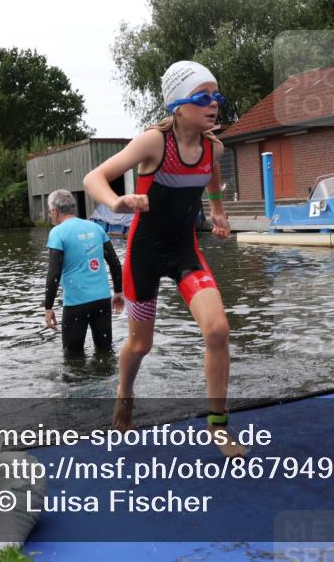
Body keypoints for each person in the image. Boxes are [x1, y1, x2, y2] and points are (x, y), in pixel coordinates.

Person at [83, 60, 240, 456]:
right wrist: (117, 202)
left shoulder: (213, 146)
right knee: (140, 346)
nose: (213, 104)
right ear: (178, 105)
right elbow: (93, 179)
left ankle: (217, 425)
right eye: (203, 97)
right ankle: (124, 391)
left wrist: (217, 211)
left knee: (218, 330)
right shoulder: (154, 143)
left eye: (216, 96)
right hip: (145, 255)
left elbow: (212, 175)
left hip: (186, 251)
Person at [44, 189, 124, 355]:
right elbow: (115, 263)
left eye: (49, 211)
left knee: (73, 359)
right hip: (102, 300)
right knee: (105, 352)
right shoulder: (95, 228)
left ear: (54, 211)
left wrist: (48, 307)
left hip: (76, 304)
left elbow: (54, 274)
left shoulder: (57, 233)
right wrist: (118, 292)